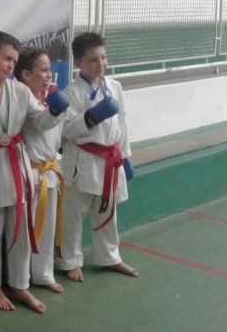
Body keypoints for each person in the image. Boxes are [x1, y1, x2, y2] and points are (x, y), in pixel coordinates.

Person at [0, 32, 67, 314]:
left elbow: (38, 123)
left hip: (18, 162)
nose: (10, 65)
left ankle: (20, 284)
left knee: (22, 228)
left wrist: (54, 111)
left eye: (14, 61)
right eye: (6, 58)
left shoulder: (20, 91)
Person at [58, 32, 138, 283]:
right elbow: (66, 131)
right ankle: (70, 260)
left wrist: (125, 157)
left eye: (103, 58)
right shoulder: (72, 92)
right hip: (82, 159)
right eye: (92, 60)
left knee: (107, 211)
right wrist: (92, 117)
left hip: (110, 159)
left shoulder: (114, 86)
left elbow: (122, 122)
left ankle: (109, 257)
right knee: (74, 214)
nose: (100, 64)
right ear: (78, 62)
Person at [14, 47, 67, 294]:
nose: (49, 74)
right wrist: (56, 110)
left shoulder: (49, 97)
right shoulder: (23, 97)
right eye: (43, 70)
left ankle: (44, 274)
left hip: (50, 170)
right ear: (25, 74)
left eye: (49, 69)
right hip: (30, 173)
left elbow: (58, 134)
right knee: (27, 232)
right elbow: (42, 122)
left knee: (47, 228)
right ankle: (20, 279)